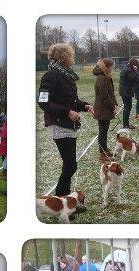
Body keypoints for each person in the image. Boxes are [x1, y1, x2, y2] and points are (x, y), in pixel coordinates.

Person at [38, 42, 92, 197]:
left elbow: (71, 101)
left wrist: (84, 106)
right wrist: (67, 112)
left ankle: (63, 199)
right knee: (70, 165)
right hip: (59, 124)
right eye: (71, 55)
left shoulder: (66, 74)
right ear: (64, 57)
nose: (73, 58)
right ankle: (61, 199)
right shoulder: (51, 75)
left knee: (70, 165)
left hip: (68, 124)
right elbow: (43, 102)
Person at [93, 57, 117, 156]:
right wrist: (112, 107)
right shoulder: (102, 78)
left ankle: (104, 148)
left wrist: (114, 104)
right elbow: (104, 96)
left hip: (105, 108)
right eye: (112, 67)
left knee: (104, 130)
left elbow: (110, 93)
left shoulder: (105, 76)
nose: (113, 69)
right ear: (108, 67)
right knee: (103, 131)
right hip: (103, 109)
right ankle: (103, 152)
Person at [119, 57, 139, 129]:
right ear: (134, 64)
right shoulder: (128, 70)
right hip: (126, 91)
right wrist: (135, 71)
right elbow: (134, 78)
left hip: (125, 90)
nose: (137, 66)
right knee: (127, 108)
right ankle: (125, 125)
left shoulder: (127, 68)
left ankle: (126, 124)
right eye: (137, 65)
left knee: (128, 107)